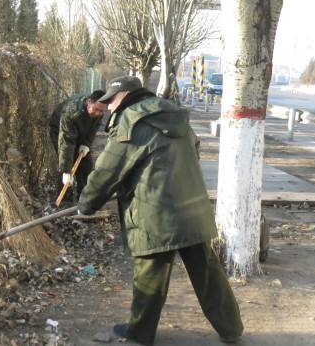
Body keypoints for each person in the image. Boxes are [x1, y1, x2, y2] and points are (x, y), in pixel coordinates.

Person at [77, 76, 244, 345]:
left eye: (112, 100)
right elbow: (194, 151)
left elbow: (109, 170)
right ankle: (231, 328)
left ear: (127, 95)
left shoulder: (131, 121)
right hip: (192, 207)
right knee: (207, 272)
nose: (109, 107)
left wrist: (86, 204)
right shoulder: (174, 115)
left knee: (150, 273)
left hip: (154, 213)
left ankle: (140, 334)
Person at [48, 90, 107, 199]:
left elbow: (93, 128)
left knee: (86, 163)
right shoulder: (72, 111)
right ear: (89, 102)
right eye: (95, 109)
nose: (98, 113)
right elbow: (66, 143)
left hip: (81, 130)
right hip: (60, 131)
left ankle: (84, 197)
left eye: (102, 111)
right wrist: (66, 171)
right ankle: (65, 200)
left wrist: (87, 143)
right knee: (66, 161)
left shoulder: (98, 109)